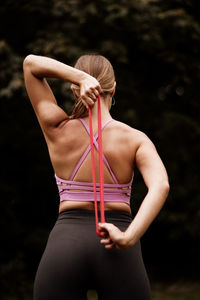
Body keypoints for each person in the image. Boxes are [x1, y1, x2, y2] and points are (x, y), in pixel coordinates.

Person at [23, 53, 169, 300]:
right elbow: (161, 185)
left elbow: (30, 64)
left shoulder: (56, 129)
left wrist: (79, 77)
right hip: (117, 243)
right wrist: (128, 236)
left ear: (74, 90)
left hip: (65, 245)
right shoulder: (135, 138)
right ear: (114, 91)